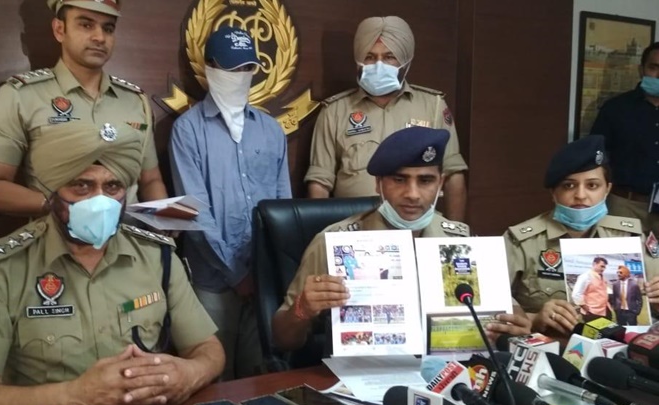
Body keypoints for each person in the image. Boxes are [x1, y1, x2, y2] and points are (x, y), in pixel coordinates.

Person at [0, 121, 224, 405]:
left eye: (112, 186)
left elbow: (208, 348)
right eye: (81, 186)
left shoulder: (157, 256)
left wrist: (188, 374)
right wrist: (75, 395)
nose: (99, 201)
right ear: (52, 192)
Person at [273, 126, 529, 352]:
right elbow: (282, 340)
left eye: (425, 180)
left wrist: (512, 320)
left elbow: (509, 310)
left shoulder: (460, 241)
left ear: (440, 184)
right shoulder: (334, 242)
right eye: (399, 180)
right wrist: (302, 310)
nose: (413, 194)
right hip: (361, 380)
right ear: (378, 184)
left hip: (448, 376)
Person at [169, 26, 292, 380]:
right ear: (208, 68)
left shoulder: (270, 130)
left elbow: (282, 206)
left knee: (259, 378)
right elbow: (194, 212)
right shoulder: (188, 130)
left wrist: (267, 270)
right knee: (212, 379)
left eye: (246, 69)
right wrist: (238, 275)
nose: (239, 78)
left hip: (264, 279)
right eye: (229, 69)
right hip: (213, 281)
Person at [0, 0, 167, 217]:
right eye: (86, 25)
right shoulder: (20, 96)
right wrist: (64, 207)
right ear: (59, 29)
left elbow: (151, 180)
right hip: (57, 241)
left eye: (108, 28)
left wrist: (165, 222)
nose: (99, 37)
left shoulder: (134, 101)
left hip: (129, 242)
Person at [304, 16, 468, 222]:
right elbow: (320, 182)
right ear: (358, 60)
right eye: (370, 57)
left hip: (417, 227)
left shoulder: (433, 106)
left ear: (405, 61)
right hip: (356, 229)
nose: (379, 65)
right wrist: (325, 236)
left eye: (390, 57)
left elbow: (454, 175)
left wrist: (455, 235)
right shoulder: (334, 111)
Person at [505, 135, 659, 336]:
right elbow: (493, 308)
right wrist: (535, 319)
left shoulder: (631, 237)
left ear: (607, 190)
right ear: (553, 192)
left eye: (592, 185)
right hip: (549, 349)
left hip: (617, 349)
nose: (580, 195)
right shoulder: (522, 242)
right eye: (569, 185)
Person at [590, 42, 659, 235]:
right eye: (654, 68)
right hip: (625, 204)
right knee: (621, 264)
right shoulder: (616, 108)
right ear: (641, 70)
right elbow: (597, 157)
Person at [571, 257, 611, 321]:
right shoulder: (585, 276)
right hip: (592, 312)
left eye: (604, 267)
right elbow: (576, 294)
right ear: (594, 264)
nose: (603, 269)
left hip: (604, 309)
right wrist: (585, 308)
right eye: (602, 266)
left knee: (608, 329)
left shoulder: (601, 276)